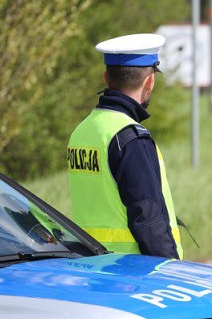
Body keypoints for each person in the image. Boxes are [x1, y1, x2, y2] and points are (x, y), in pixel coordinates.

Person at [67, 33, 182, 259]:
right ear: (149, 81)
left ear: (106, 77)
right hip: (133, 274)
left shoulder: (82, 131)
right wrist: (170, 271)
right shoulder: (129, 137)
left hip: (92, 267)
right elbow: (148, 220)